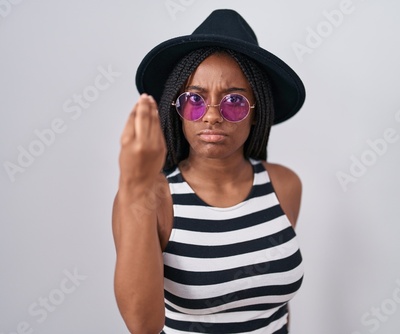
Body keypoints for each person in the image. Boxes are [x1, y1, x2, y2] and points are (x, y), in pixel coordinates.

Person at [113, 9, 306, 334]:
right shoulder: (153, 198)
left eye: (234, 101)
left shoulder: (283, 185)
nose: (212, 116)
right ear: (177, 110)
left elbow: (277, 306)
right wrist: (135, 184)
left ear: (257, 113)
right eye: (194, 100)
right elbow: (142, 325)